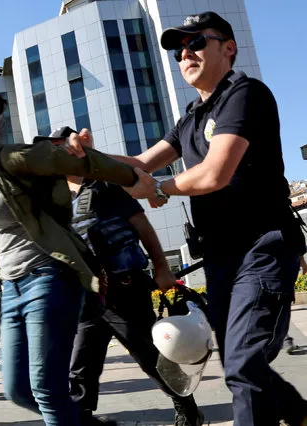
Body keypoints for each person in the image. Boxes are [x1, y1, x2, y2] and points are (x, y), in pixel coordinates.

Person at [68, 11, 307, 425]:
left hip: (261, 248)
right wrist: (87, 157)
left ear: (228, 48)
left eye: (197, 42)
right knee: (241, 360)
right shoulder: (190, 117)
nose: (185, 53)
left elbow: (216, 172)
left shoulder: (244, 94)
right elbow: (139, 162)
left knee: (243, 361)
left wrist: (158, 188)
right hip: (221, 255)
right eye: (179, 49)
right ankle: (299, 413)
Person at [0, 94, 153, 425]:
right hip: (11, 287)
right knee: (16, 389)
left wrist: (134, 178)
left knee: (47, 389)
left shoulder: (15, 157)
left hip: (48, 276)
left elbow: (75, 160)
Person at [58, 129, 202, 426]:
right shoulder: (56, 199)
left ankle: (185, 405)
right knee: (81, 362)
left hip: (123, 288)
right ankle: (80, 416)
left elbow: (143, 228)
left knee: (149, 355)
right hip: (87, 294)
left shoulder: (106, 188)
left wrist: (161, 267)